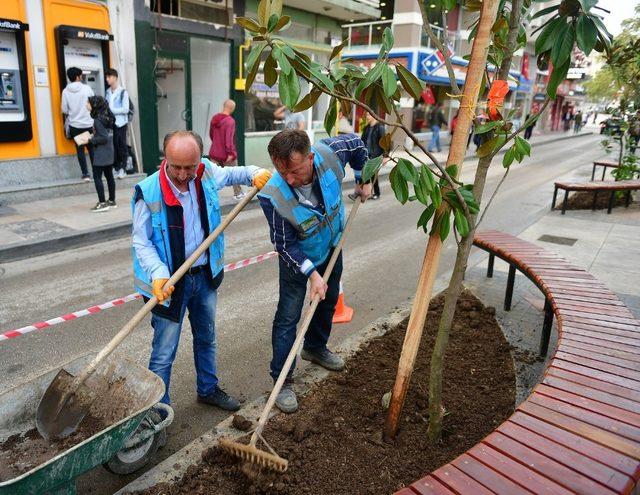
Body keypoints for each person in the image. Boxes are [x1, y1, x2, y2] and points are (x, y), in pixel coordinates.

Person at [132, 130, 272, 408]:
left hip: (204, 278)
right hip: (169, 283)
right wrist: (159, 274)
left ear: (199, 160)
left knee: (206, 338)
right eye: (177, 167)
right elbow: (141, 241)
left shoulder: (206, 172)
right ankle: (157, 411)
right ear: (165, 159)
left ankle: (208, 389)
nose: (184, 175)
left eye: (190, 167)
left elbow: (235, 175)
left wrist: (255, 172)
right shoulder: (148, 192)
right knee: (163, 353)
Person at [257, 130, 371, 414]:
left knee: (329, 299)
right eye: (283, 172)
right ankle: (281, 380)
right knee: (288, 317)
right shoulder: (273, 196)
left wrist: (364, 179)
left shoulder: (330, 154)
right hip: (298, 261)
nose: (290, 180)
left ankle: (316, 347)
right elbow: (285, 245)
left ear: (310, 157)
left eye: (295, 171)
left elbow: (358, 145)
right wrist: (312, 275)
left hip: (332, 244)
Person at [80, 96, 116, 212]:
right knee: (109, 176)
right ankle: (111, 201)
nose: (86, 104)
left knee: (97, 177)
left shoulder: (97, 120)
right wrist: (94, 136)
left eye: (88, 102)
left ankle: (102, 203)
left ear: (94, 105)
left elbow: (103, 137)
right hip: (109, 151)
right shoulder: (106, 117)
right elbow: (105, 135)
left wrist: (90, 140)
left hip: (100, 153)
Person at [61, 66, 94, 181]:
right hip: (88, 124)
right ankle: (96, 172)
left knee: (80, 149)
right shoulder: (87, 89)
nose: (81, 77)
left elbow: (64, 110)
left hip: (75, 125)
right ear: (77, 76)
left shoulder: (65, 91)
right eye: (81, 75)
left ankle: (85, 174)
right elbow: (93, 104)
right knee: (91, 148)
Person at [208, 99, 244, 200]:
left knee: (211, 176)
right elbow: (229, 139)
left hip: (214, 152)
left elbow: (211, 135)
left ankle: (209, 196)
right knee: (234, 174)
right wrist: (230, 153)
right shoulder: (230, 121)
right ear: (232, 108)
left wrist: (216, 144)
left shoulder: (214, 119)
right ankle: (238, 194)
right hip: (226, 154)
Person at [105, 68, 130, 180]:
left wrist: (112, 110)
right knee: (113, 146)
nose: (107, 79)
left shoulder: (123, 92)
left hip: (121, 123)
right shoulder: (107, 92)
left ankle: (123, 168)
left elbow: (126, 109)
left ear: (115, 77)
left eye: (109, 77)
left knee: (121, 146)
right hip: (111, 123)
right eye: (106, 77)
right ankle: (116, 167)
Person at [359, 111, 387, 199]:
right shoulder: (367, 127)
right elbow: (362, 141)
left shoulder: (380, 127)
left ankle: (377, 193)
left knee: (374, 175)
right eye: (366, 115)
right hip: (366, 155)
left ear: (374, 116)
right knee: (365, 173)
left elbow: (385, 143)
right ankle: (366, 192)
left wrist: (385, 157)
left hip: (376, 155)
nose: (367, 117)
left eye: (369, 115)